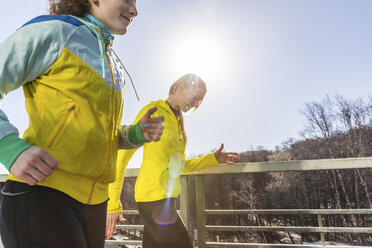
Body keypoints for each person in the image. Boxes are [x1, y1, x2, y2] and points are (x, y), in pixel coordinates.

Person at [0, 0, 164, 247]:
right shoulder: (57, 31)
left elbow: (96, 132)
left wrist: (135, 134)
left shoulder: (114, 63)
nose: (134, 10)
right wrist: (8, 146)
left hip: (96, 203)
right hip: (44, 194)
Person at [106, 74, 240, 248]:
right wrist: (113, 202)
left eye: (199, 102)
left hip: (167, 200)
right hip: (152, 199)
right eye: (195, 98)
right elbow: (122, 157)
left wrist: (213, 159)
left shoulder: (178, 125)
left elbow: (180, 167)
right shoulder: (154, 111)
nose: (195, 104)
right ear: (181, 87)